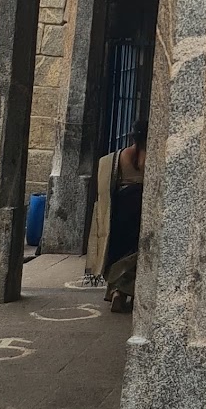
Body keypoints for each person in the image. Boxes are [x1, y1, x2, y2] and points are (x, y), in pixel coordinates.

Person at [85, 125, 147, 312]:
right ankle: (129, 290)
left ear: (132, 137)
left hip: (120, 206)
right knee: (135, 252)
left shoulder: (118, 157)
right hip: (140, 206)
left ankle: (116, 292)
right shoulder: (151, 157)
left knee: (117, 250)